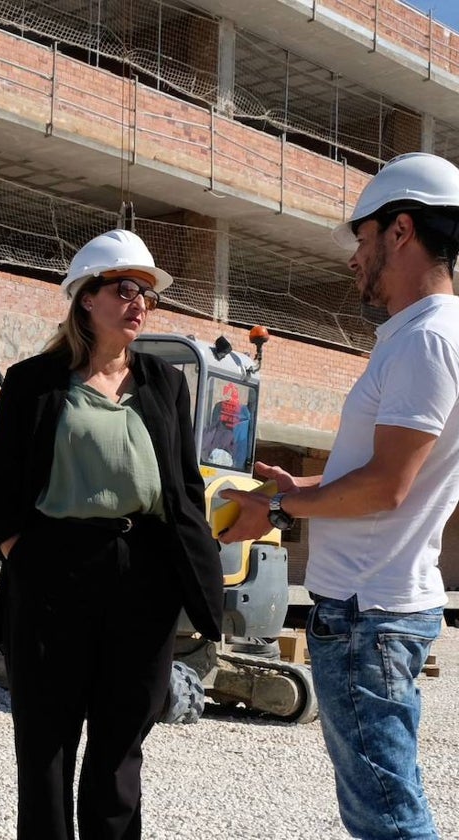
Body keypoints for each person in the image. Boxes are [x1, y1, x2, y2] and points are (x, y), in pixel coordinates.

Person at [220, 151, 459, 840]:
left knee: (385, 819)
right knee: (389, 800)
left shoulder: (426, 342)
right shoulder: (421, 339)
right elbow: (386, 475)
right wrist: (301, 487)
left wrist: (282, 510)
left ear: (401, 231)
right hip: (375, 609)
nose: (355, 259)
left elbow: (387, 488)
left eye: (362, 239)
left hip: (368, 614)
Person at [0, 229, 224, 840]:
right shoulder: (33, 382)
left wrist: (194, 580)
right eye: (124, 288)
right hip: (54, 576)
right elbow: (1, 497)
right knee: (46, 746)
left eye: (147, 293)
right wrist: (26, 561)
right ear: (86, 297)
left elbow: (185, 490)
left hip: (143, 577)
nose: (139, 301)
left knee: (120, 749)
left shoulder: (166, 383)